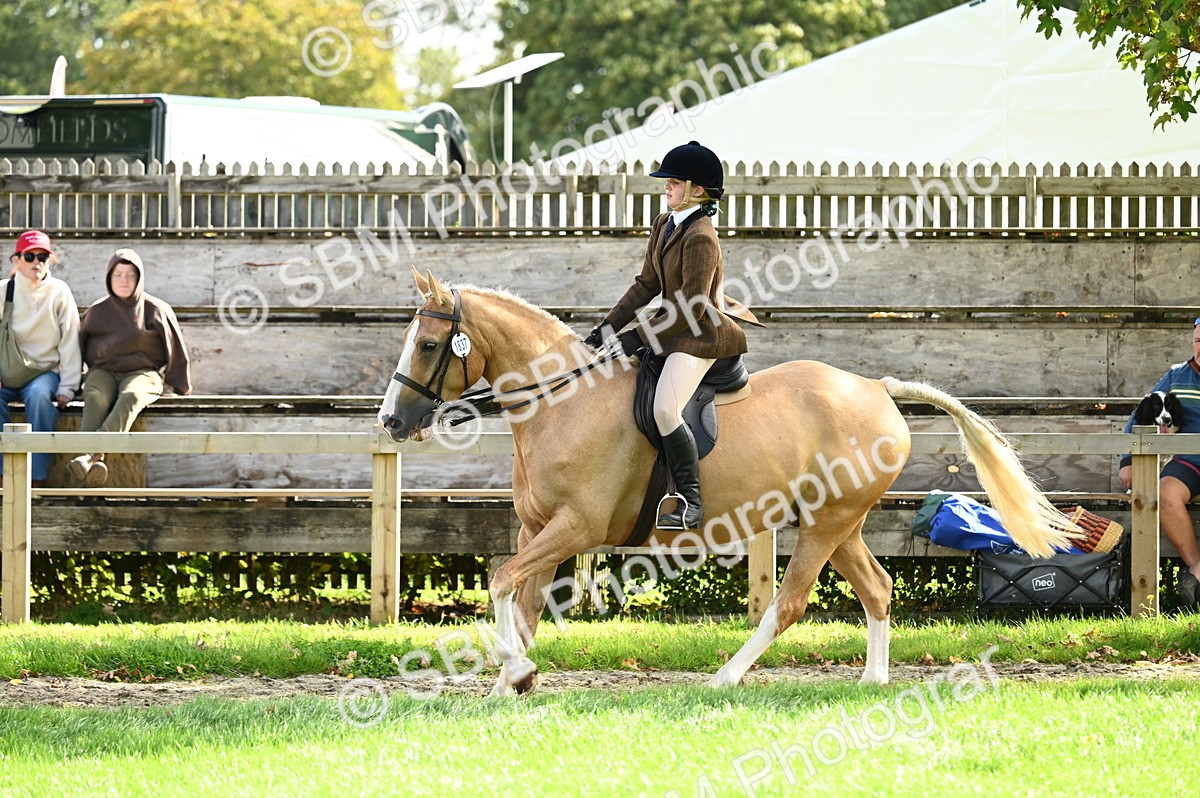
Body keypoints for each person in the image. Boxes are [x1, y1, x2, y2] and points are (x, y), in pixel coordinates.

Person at [584, 141, 759, 530]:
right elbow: (646, 284)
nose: (666, 187)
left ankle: (690, 502)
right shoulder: (664, 224)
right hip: (671, 326)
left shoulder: (701, 236)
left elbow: (691, 307)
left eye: (674, 182)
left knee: (665, 408)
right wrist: (608, 327)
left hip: (700, 334)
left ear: (697, 190)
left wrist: (633, 339)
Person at [68, 248, 191, 486]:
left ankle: (89, 455)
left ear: (139, 278)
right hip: (103, 371)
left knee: (131, 396)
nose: (124, 280)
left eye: (130, 275)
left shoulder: (156, 309)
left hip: (143, 372)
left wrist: (179, 384)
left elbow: (175, 347)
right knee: (94, 397)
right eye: (118, 274)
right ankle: (94, 461)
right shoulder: (97, 311)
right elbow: (77, 348)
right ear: (108, 278)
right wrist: (71, 383)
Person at [1119, 318, 1200, 608]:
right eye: (1198, 341)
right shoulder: (1177, 375)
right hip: (1189, 461)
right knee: (1163, 492)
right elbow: (1140, 414)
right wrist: (1128, 460)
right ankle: (1197, 570)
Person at [0, 230, 82, 487]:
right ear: (17, 260)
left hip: (43, 372)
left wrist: (67, 387)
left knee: (38, 398)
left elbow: (70, 338)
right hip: (7, 371)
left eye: (43, 257)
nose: (37, 262)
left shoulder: (60, 291)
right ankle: (4, 477)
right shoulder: (4, 290)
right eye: (30, 256)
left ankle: (37, 479)